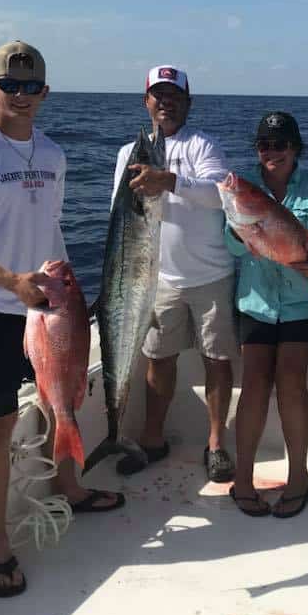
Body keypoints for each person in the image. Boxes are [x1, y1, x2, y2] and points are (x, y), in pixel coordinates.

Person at [0, 41, 124, 599]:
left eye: (30, 86)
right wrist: (11, 281)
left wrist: (68, 290)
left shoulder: (55, 155)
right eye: (8, 85)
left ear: (45, 92)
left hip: (52, 305)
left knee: (64, 397)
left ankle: (73, 489)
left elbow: (52, 227)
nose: (20, 95)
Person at [111, 65, 238, 482]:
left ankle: (216, 444)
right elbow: (121, 219)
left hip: (210, 276)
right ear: (145, 101)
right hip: (155, 278)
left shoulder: (203, 147)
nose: (165, 102)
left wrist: (168, 180)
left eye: (174, 96)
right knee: (157, 360)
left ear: (188, 102)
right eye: (158, 95)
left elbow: (221, 196)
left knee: (216, 361)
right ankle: (152, 439)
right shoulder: (127, 154)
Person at [225, 112, 308, 517]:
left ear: (295, 148)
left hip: (303, 303)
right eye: (264, 145)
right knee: (254, 381)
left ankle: (298, 477)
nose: (272, 152)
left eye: (280, 144)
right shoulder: (242, 191)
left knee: (290, 379)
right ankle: (242, 478)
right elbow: (237, 250)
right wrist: (246, 226)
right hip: (256, 301)